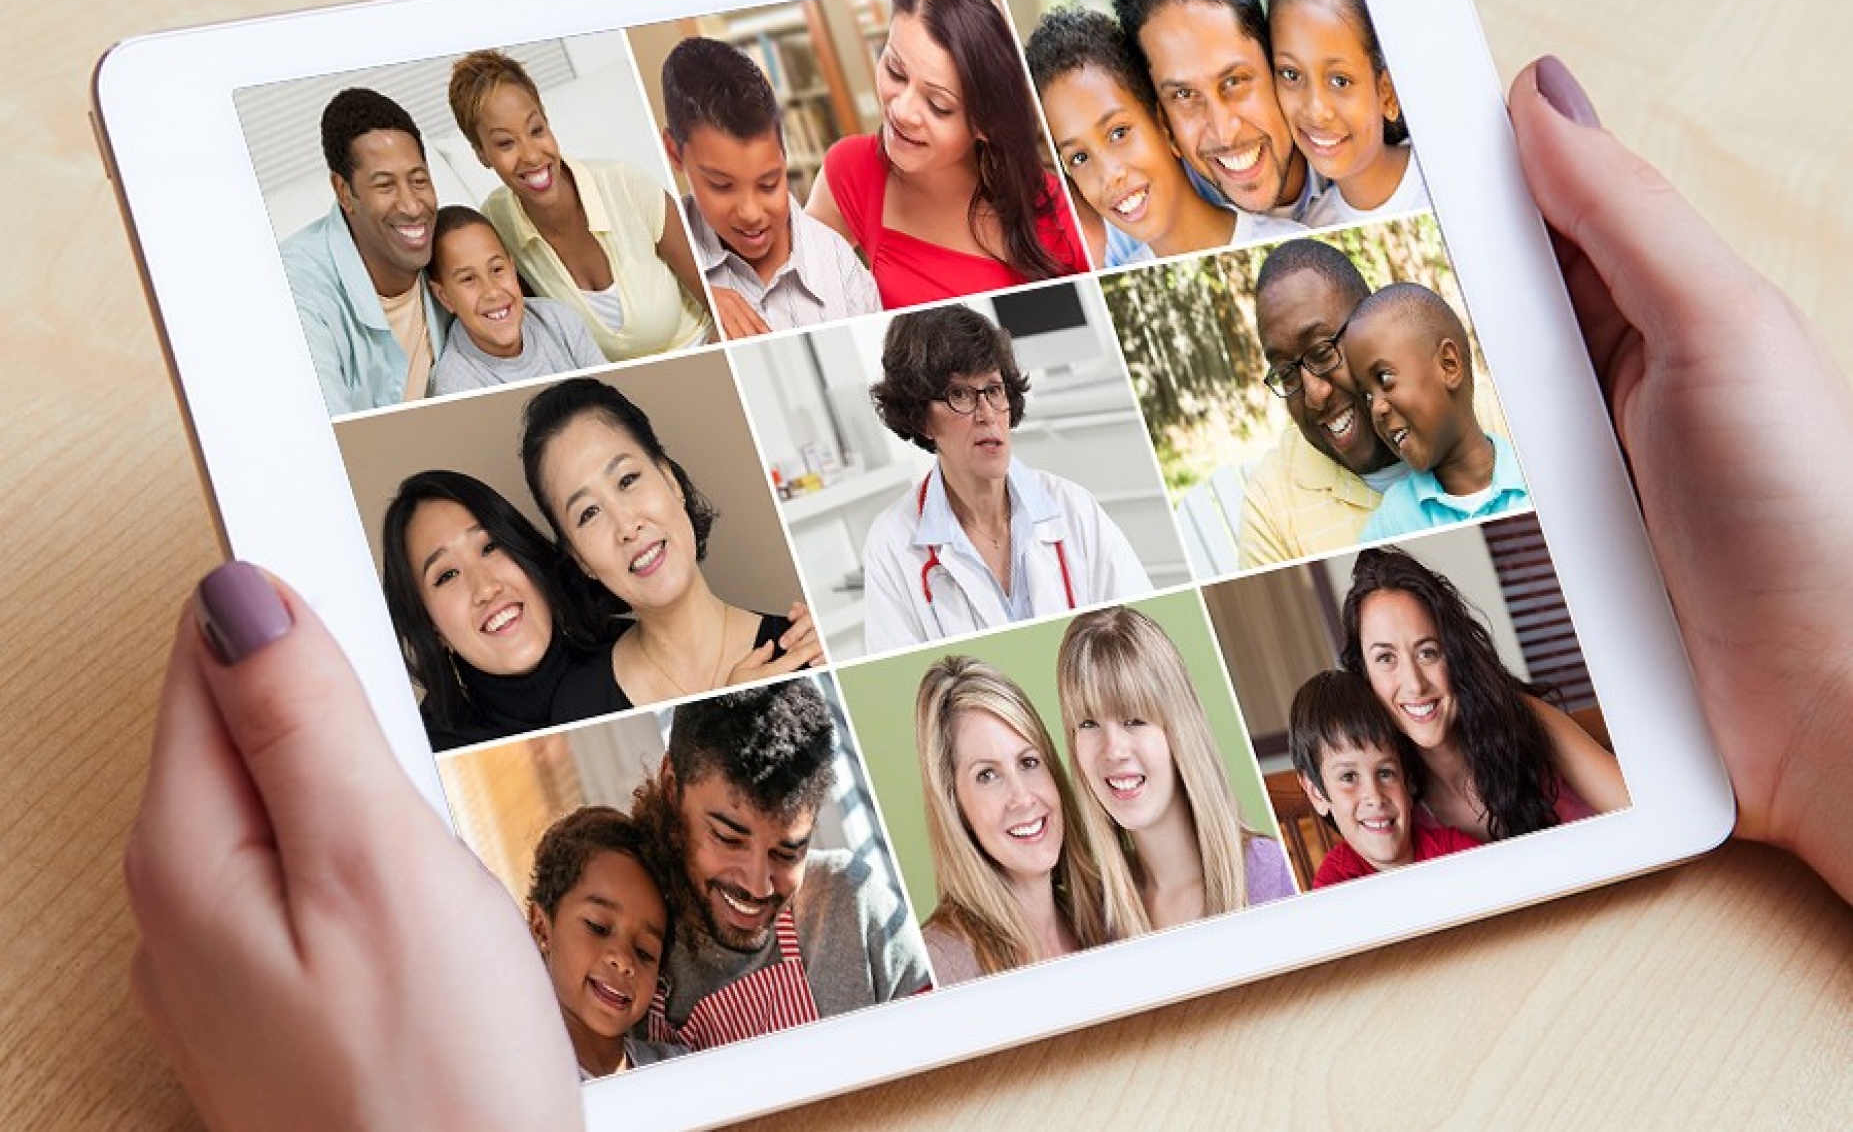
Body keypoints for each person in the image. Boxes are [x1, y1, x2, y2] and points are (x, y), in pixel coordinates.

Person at [124, 58, 1853, 1123]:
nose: (971, 414)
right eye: (943, 398)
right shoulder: (884, 590)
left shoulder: (1180, 707)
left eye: (989, 395)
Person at [626, 681, 932, 1049]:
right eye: (728, 838)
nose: (759, 887)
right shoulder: (625, 950)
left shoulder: (853, 905)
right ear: (672, 784)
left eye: (787, 853)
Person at [519, 376, 821, 717]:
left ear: (671, 481)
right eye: (588, 513)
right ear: (579, 558)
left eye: (627, 480)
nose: (627, 526)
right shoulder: (579, 706)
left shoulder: (806, 649)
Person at [860, 304, 1151, 653]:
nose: (986, 414)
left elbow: (1138, 634)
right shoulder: (892, 542)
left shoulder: (1073, 508)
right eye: (959, 395)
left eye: (994, 390)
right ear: (921, 419)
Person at [806, 0, 1087, 309]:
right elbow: (787, 285)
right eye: (895, 71)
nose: (902, 110)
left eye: (939, 105)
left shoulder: (1057, 209)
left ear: (986, 123)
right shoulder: (852, 168)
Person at [1340, 546, 1629, 841]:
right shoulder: (1388, 804)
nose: (1414, 683)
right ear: (1365, 675)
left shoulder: (1523, 717)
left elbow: (1640, 809)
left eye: (1428, 652)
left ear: (1455, 654)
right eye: (1386, 659)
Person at [447, 49, 713, 362]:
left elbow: (720, 305)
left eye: (536, 130)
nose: (532, 155)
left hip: (703, 347)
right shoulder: (498, 224)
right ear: (481, 154)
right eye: (506, 143)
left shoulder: (625, 185)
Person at [1057, 606, 1297, 932]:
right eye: (1088, 723)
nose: (1113, 750)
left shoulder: (1268, 873)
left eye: (1134, 720)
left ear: (1180, 732)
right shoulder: (1093, 917)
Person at [658, 37, 880, 337]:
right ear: (674, 153)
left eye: (768, 183)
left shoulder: (839, 263)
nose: (751, 213)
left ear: (784, 153)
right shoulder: (661, 266)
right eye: (721, 186)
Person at [914, 656, 1111, 984]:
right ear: (955, 805)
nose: (1022, 797)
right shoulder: (939, 966)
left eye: (1029, 762)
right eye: (987, 775)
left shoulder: (1111, 918)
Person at [1109, 0, 1315, 241]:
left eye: (1234, 82)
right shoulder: (1134, 228)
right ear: (1163, 122)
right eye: (1184, 95)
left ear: (1274, 62)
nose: (1224, 133)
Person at [379, 469, 591, 752]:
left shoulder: (639, 657)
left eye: (491, 546)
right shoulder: (426, 752)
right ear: (432, 625)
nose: (485, 588)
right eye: (447, 575)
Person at [1024, 6, 1239, 267]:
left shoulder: (1275, 229)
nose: (1109, 175)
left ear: (1164, 125)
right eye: (1079, 157)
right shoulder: (1111, 259)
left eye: (1118, 133)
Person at [278, 87, 446, 415]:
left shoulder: (451, 252)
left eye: (419, 180)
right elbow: (324, 437)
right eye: (385, 185)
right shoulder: (296, 290)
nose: (413, 206)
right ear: (344, 191)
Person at [1238, 238, 1404, 568]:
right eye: (1286, 373)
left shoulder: (1481, 414)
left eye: (1323, 353)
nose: (1315, 395)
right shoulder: (1272, 505)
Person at [1347, 284, 1529, 539]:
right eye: (1367, 395)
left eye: (1385, 377)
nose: (1376, 408)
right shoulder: (1392, 522)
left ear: (1449, 365)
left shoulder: (1535, 475)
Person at [1267, 0, 1429, 227]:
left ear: (1387, 93)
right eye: (1291, 74)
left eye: (1340, 81)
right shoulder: (1312, 228)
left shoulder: (1439, 173)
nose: (1316, 111)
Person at [525, 805, 686, 1077]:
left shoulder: (681, 1071)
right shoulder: (519, 1084)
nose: (623, 961)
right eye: (598, 927)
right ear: (542, 928)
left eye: (645, 951)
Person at [1287, 669, 1479, 888]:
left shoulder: (1456, 853)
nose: (1375, 797)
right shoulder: (1334, 887)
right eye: (1349, 777)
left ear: (1406, 780)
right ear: (1317, 793)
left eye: (1385, 773)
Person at [425, 206, 605, 395]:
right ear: (444, 298)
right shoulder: (455, 386)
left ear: (512, 268)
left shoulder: (559, 320)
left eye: (497, 269)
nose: (492, 291)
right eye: (468, 279)